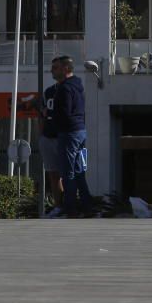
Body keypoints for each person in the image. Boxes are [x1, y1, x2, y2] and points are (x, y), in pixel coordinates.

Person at [50, 55, 93, 218]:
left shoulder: (64, 88)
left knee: (68, 172)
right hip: (80, 131)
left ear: (65, 69)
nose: (52, 71)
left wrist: (54, 121)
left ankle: (71, 209)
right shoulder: (77, 85)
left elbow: (64, 112)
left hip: (69, 133)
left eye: (55, 67)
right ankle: (87, 206)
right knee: (79, 171)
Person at [38, 84, 64, 217]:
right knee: (53, 175)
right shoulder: (48, 91)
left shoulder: (72, 89)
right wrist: (41, 136)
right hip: (48, 137)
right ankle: (58, 206)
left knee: (69, 174)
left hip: (65, 137)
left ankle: (70, 205)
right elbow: (42, 115)